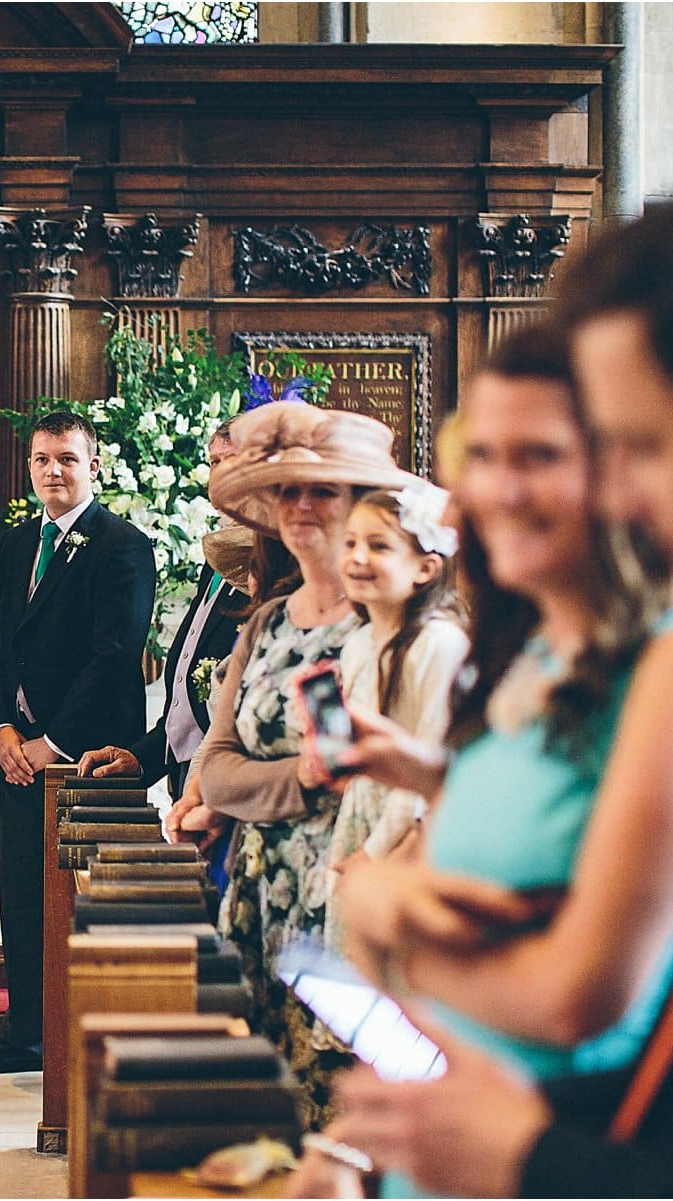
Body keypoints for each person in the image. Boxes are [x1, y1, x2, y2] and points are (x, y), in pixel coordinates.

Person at [310, 180, 673, 1198]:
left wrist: (383, 912)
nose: (630, 494)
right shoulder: (526, 658)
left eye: (638, 444)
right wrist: (357, 1139)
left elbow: (599, 1009)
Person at [180, 401, 416, 1125]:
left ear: (359, 504)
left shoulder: (387, 624)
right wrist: (296, 781)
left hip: (345, 889)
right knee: (260, 1112)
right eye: (288, 491)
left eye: (323, 490)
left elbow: (363, 776)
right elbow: (215, 766)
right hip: (257, 888)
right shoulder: (267, 622)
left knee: (340, 1112)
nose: (302, 505)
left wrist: (272, 788)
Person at [0, 410, 155, 1075]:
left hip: (88, 760)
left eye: (66, 458)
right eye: (41, 459)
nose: (53, 471)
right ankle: (27, 1035)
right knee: (24, 901)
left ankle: (85, 1043)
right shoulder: (15, 545)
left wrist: (52, 741)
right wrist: (3, 729)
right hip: (14, 761)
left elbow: (115, 655)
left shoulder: (123, 544)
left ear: (93, 466)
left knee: (84, 905)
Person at [80, 419, 249, 889]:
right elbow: (187, 698)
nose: (220, 476)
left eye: (232, 463)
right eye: (214, 463)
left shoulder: (267, 563)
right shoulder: (218, 558)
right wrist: (142, 759)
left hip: (234, 791)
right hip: (188, 781)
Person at [316, 484, 466, 954]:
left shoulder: (437, 646)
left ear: (426, 567)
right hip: (359, 814)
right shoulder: (360, 641)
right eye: (351, 543)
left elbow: (427, 768)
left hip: (408, 834)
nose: (358, 557)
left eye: (379, 546)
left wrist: (376, 853)